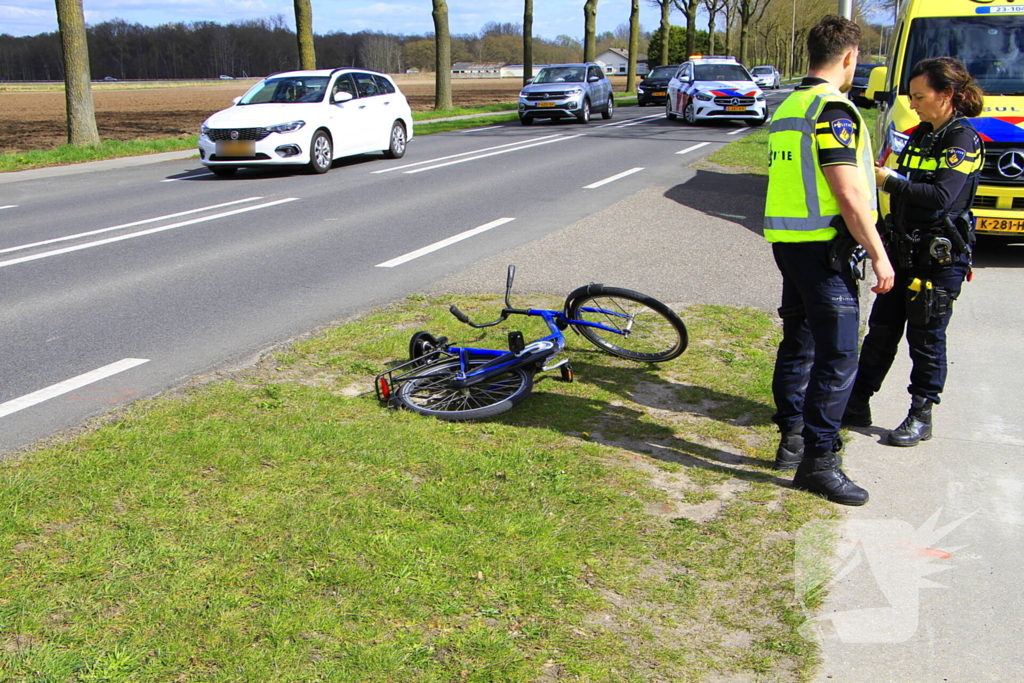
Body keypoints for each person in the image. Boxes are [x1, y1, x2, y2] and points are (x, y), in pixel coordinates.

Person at [764, 15, 895, 505]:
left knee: (798, 342)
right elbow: (846, 192)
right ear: (849, 57)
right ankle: (819, 463)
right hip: (825, 249)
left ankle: (792, 439)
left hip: (789, 243)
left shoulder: (789, 106)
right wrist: (880, 257)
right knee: (838, 354)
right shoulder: (833, 110)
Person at [843, 58, 984, 446]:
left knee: (926, 338)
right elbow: (904, 182)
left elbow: (940, 195)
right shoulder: (920, 133)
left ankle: (921, 415)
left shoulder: (962, 139)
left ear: (948, 95)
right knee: (882, 331)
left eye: (921, 96)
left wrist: (888, 180)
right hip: (903, 250)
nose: (915, 103)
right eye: (912, 96)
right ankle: (857, 402)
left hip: (938, 259)